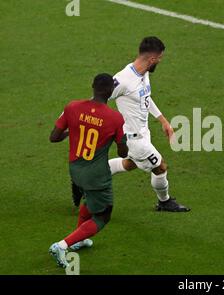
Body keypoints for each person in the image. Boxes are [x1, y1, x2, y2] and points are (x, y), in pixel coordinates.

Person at [49, 73, 128, 268]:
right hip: (96, 175)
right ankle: (62, 245)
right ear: (110, 92)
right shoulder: (115, 118)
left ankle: (79, 240)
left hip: (75, 170)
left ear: (92, 86)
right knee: (103, 215)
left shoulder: (72, 107)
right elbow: (123, 151)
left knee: (89, 199)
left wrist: (73, 130)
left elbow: (54, 137)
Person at [108, 36, 190, 212]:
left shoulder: (144, 73)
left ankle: (86, 178)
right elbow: (98, 99)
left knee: (130, 164)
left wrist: (163, 120)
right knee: (160, 167)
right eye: (160, 58)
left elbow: (145, 98)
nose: (160, 61)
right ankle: (164, 201)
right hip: (133, 139)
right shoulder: (122, 80)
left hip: (144, 133)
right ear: (152, 59)